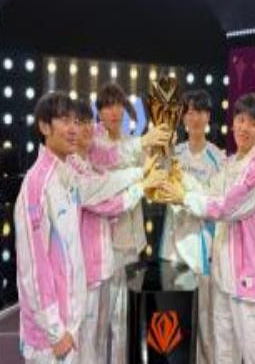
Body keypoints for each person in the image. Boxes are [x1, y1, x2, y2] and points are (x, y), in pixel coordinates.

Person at [158, 93, 255, 364]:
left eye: (252, 124)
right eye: (240, 120)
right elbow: (209, 192)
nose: (244, 128)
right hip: (223, 274)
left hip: (247, 279)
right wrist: (180, 180)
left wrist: (183, 197)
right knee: (224, 352)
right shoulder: (230, 163)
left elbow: (224, 207)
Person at [67, 99, 164, 362]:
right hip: (86, 266)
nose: (85, 128)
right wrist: (141, 181)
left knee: (114, 324)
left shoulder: (92, 159)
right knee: (89, 336)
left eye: (87, 122)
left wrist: (148, 153)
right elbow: (107, 201)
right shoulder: (74, 166)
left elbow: (115, 163)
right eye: (78, 122)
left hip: (106, 259)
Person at [90, 81, 170, 363]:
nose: (114, 112)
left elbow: (155, 172)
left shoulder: (132, 142)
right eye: (107, 106)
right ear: (99, 112)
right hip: (102, 244)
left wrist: (163, 144)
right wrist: (144, 146)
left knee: (123, 319)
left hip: (131, 241)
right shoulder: (93, 144)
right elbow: (110, 173)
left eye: (118, 106)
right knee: (98, 321)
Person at [13, 92, 85, 363]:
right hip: (51, 339)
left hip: (70, 326)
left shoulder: (68, 175)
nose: (73, 128)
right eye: (64, 120)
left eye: (76, 121)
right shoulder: (36, 185)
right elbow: (33, 266)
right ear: (44, 126)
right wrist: (55, 331)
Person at [159, 89, 225, 364]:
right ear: (183, 117)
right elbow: (159, 189)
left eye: (199, 112)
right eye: (189, 112)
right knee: (173, 319)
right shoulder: (173, 153)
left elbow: (215, 203)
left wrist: (184, 196)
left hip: (200, 251)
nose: (194, 118)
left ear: (208, 116)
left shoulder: (218, 158)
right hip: (172, 249)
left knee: (205, 322)